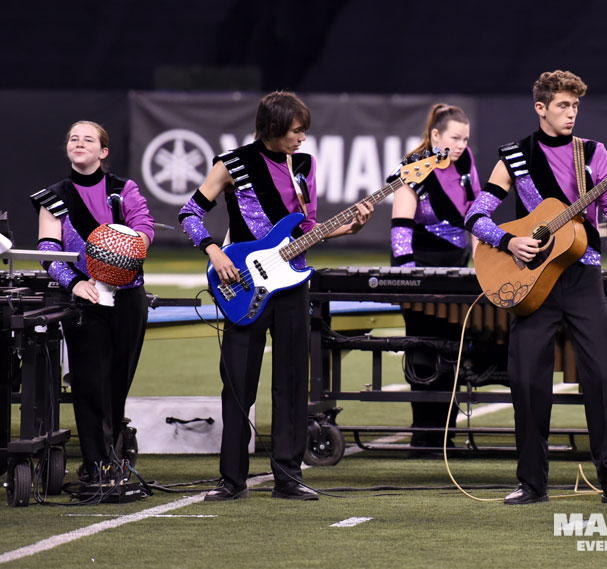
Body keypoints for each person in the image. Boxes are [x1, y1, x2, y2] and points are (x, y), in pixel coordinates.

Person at [464, 70, 607, 506]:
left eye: (575, 106)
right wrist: (510, 241)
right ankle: (531, 483)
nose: (571, 113)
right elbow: (476, 216)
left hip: (583, 277)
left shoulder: (594, 154)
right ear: (541, 108)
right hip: (531, 282)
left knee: (603, 377)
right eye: (563, 105)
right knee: (527, 381)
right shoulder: (513, 156)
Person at [179, 91, 372, 501]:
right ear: (272, 128)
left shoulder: (303, 165)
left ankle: (288, 475)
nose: (302, 138)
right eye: (296, 131)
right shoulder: (231, 163)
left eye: (304, 131)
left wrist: (349, 229)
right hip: (244, 285)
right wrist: (213, 250)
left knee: (290, 381)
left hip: (292, 285)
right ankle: (231, 479)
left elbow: (307, 230)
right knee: (237, 384)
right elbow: (189, 212)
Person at [31, 121, 154, 482]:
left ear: (103, 152)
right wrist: (76, 282)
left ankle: (109, 454)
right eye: (73, 138)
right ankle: (95, 464)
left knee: (118, 380)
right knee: (88, 383)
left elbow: (144, 228)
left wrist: (126, 252)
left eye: (88, 139)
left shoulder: (123, 189)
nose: (79, 143)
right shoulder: (53, 197)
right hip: (84, 299)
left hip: (129, 295)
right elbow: (49, 251)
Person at [389, 104, 481, 453]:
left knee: (453, 354)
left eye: (465, 139)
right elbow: (400, 230)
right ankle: (423, 436)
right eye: (454, 138)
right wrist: (409, 282)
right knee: (424, 352)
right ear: (436, 135)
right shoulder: (413, 169)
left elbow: (475, 212)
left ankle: (447, 436)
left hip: (457, 271)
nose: (460, 145)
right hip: (421, 270)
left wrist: (483, 263)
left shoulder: (466, 160)